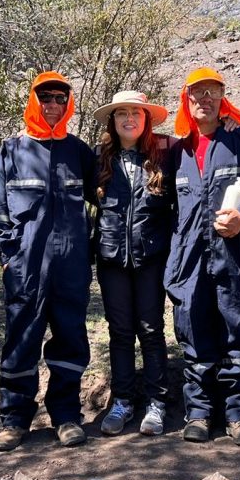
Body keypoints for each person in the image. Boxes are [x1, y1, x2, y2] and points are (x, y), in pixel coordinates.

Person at [165, 67, 240, 446]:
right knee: (192, 330)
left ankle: (238, 415)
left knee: (235, 329)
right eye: (196, 93)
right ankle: (198, 412)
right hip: (187, 258)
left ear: (222, 97)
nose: (204, 100)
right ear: (187, 100)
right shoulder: (176, 150)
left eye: (212, 92)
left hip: (231, 253)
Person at [0, 72, 97, 451]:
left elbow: (112, 193)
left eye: (59, 99)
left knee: (70, 340)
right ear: (34, 100)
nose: (52, 104)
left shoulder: (78, 152)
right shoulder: (12, 150)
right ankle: (14, 420)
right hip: (25, 268)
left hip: (71, 268)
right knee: (22, 339)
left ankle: (66, 416)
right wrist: (7, 259)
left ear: (68, 105)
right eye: (45, 97)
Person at [91, 90, 173, 437]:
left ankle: (157, 402)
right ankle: (122, 401)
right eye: (121, 113)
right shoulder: (96, 158)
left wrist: (228, 124)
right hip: (111, 259)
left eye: (136, 113)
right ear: (113, 120)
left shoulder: (167, 154)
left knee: (152, 330)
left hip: (151, 258)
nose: (129, 119)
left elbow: (204, 142)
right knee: (120, 332)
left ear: (147, 119)